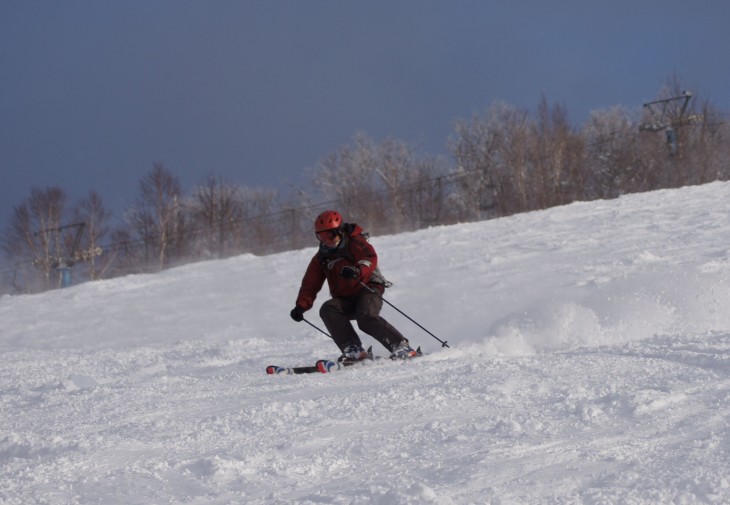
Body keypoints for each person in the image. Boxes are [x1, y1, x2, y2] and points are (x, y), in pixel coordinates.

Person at [290, 210, 417, 362]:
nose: (325, 240)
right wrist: (301, 306)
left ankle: (401, 346)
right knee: (329, 308)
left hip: (368, 288)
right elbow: (310, 283)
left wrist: (357, 271)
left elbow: (369, 257)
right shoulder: (321, 258)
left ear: (338, 231)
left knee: (366, 317)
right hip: (346, 298)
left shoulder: (355, 241)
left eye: (329, 235)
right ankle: (354, 350)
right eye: (320, 236)